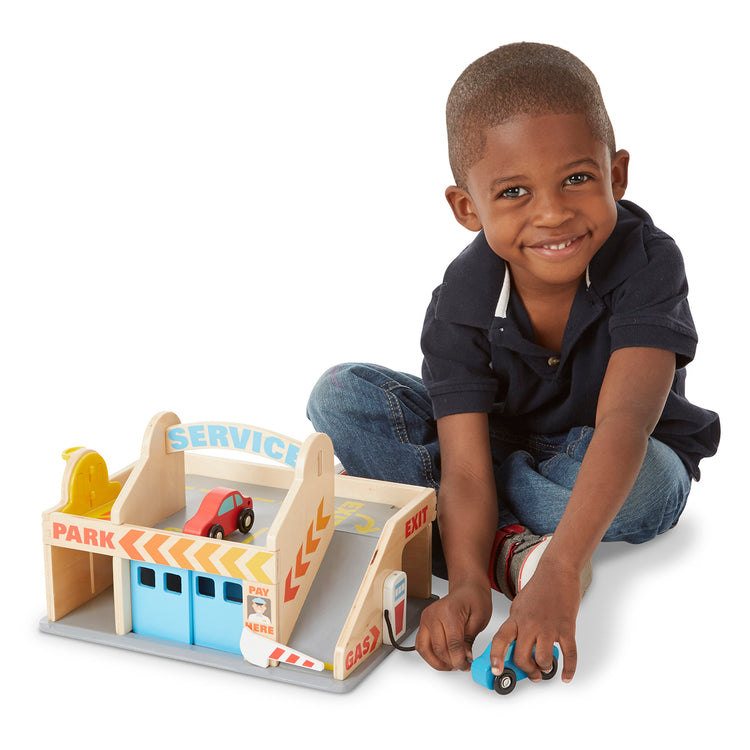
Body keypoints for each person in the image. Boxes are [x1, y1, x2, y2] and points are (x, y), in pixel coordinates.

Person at [306, 42, 720, 684]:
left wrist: (559, 572)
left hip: (610, 450)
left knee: (649, 490)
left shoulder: (645, 261)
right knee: (338, 397)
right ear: (467, 208)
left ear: (618, 174)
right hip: (492, 446)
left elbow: (625, 425)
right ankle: (502, 550)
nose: (552, 212)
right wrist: (469, 583)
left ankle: (461, 522)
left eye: (577, 178)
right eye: (515, 191)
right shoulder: (462, 300)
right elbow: (468, 467)